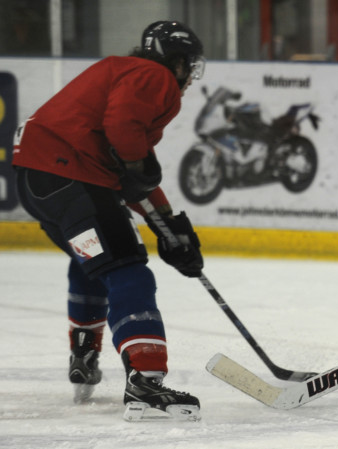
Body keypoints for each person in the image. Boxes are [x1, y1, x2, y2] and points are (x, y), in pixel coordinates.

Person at [12, 21, 206, 422]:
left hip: (40, 183)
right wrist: (140, 166)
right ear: (177, 62)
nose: (188, 77)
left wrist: (169, 226)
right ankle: (146, 384)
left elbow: (125, 171)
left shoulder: (123, 72)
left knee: (96, 260)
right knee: (129, 271)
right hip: (70, 177)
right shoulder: (154, 75)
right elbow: (125, 140)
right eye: (188, 65)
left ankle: (84, 351)